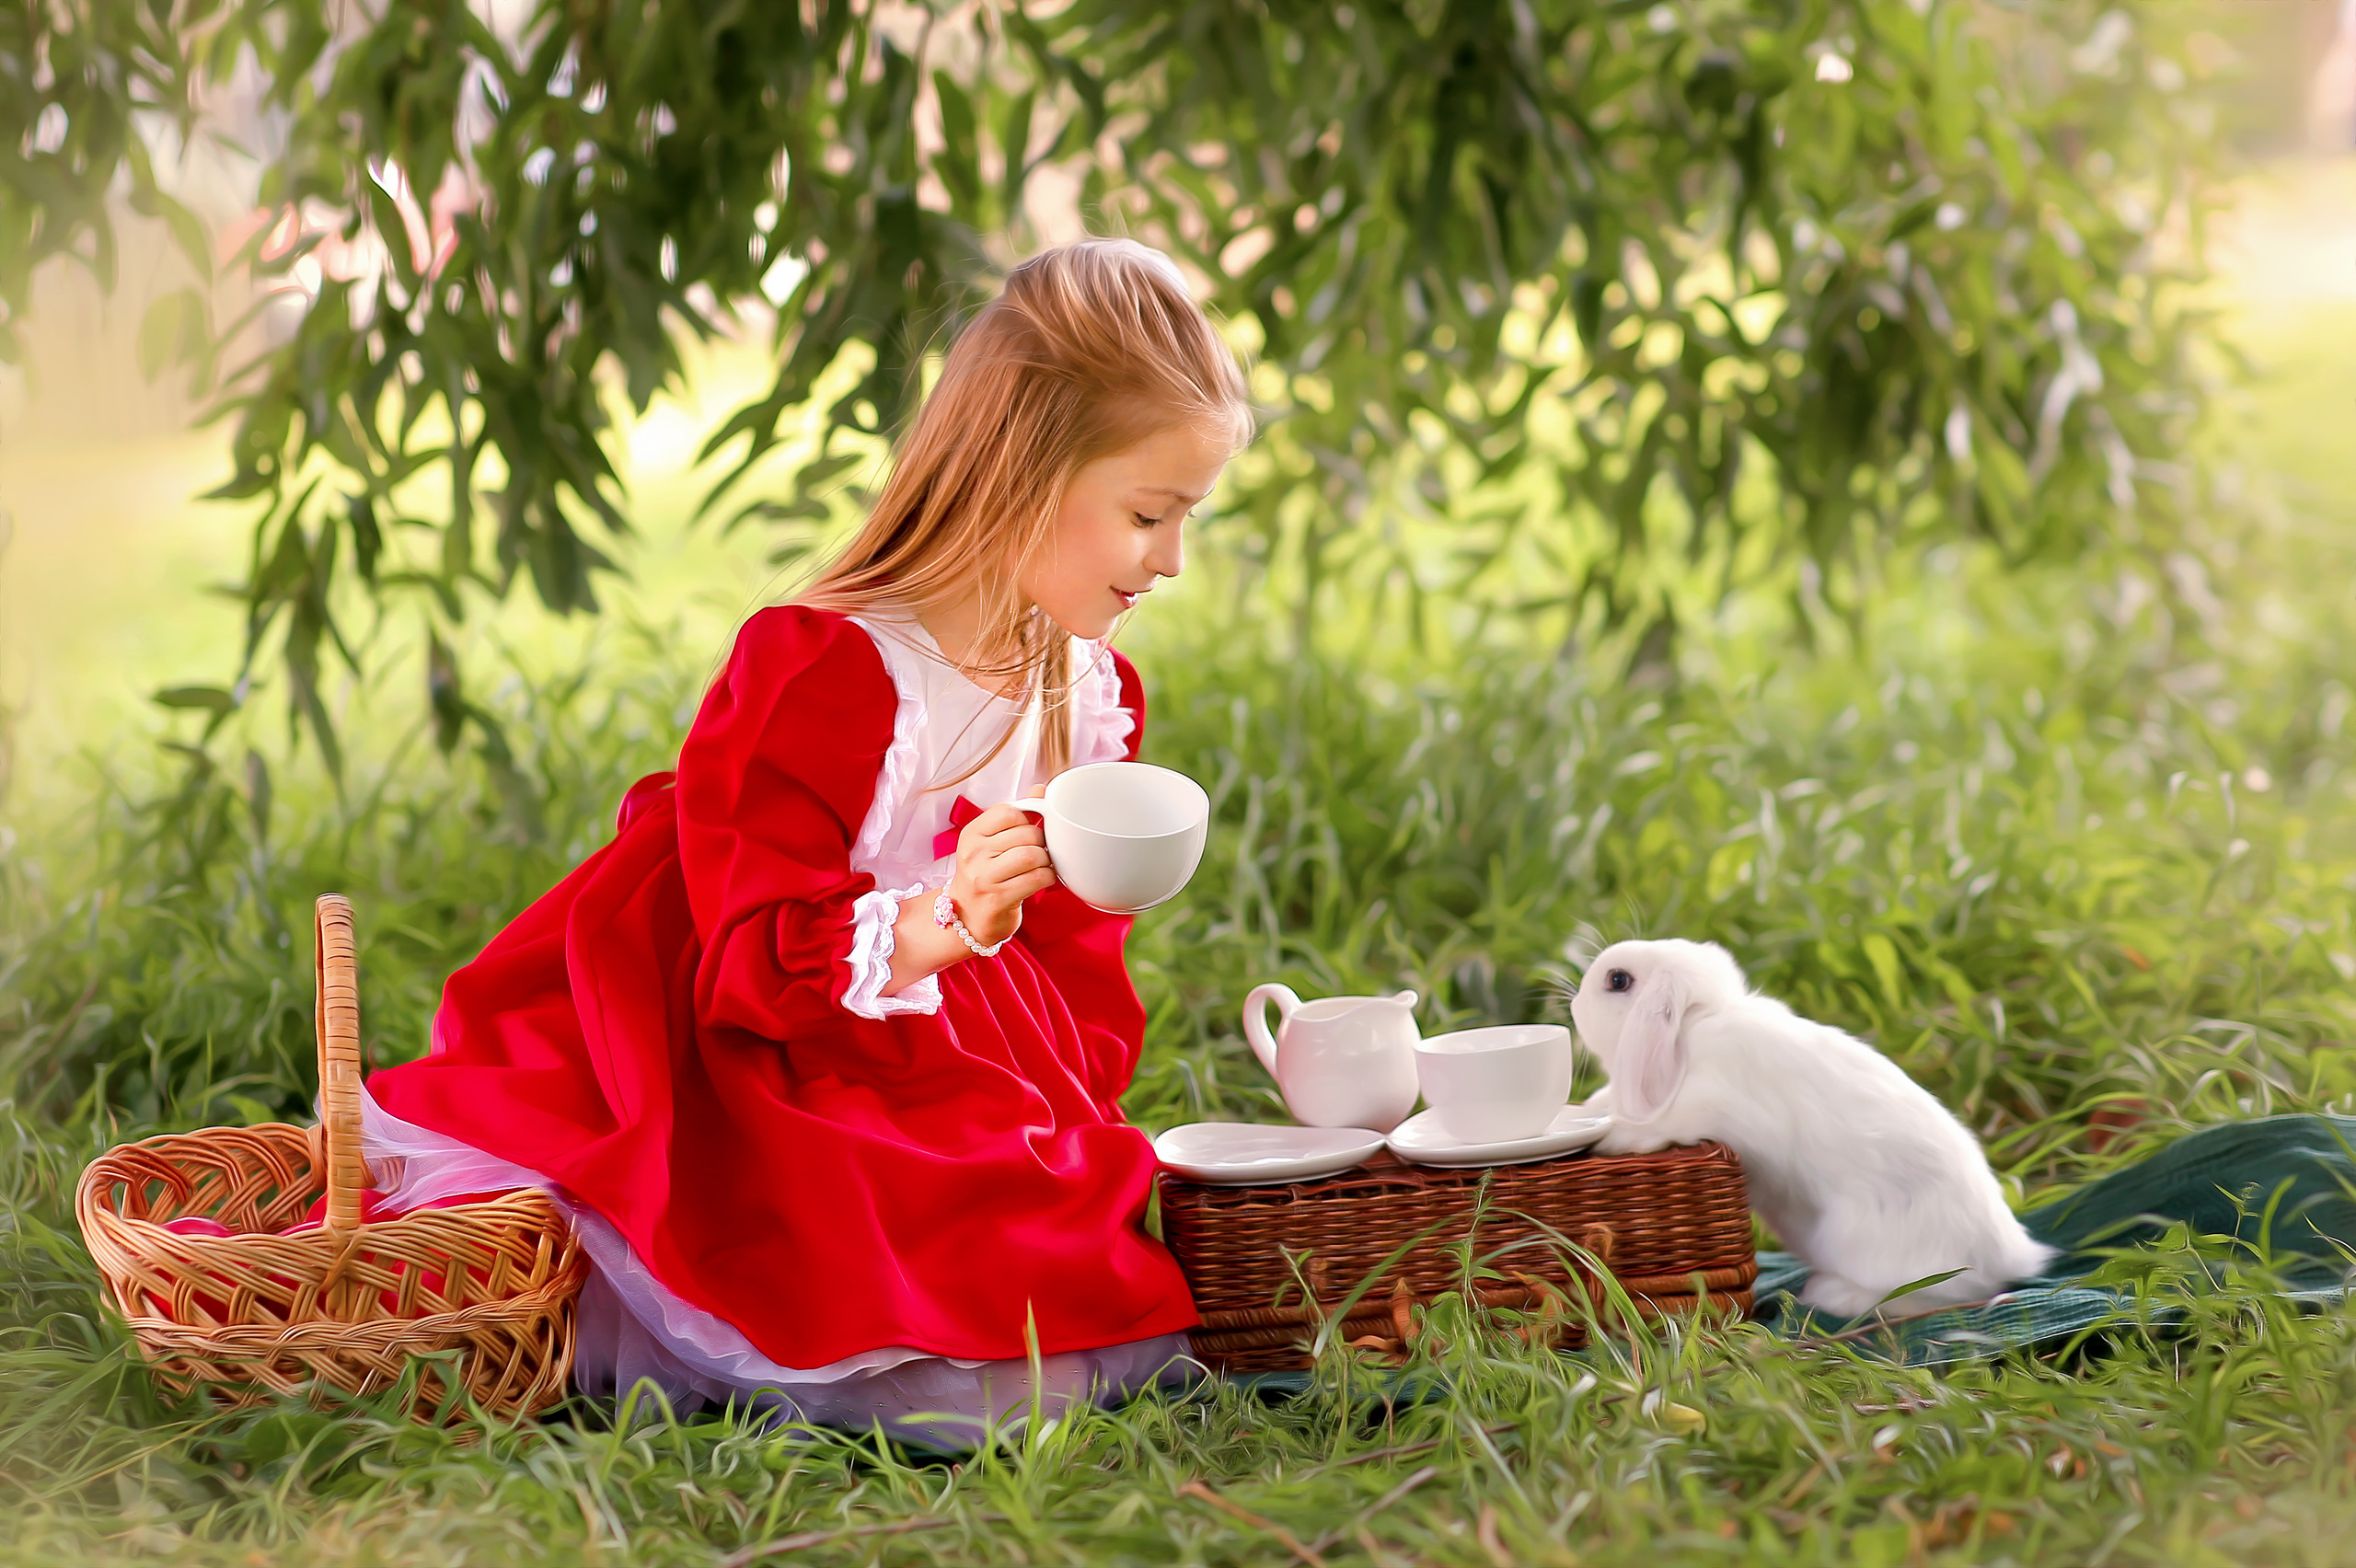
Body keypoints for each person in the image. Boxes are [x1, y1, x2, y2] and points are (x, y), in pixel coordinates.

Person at [357, 238, 1253, 1441]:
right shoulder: (828, 669)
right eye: (1149, 514)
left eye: (1186, 518)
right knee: (875, 1221)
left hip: (953, 1037)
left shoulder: (1087, 694)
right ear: (1025, 474)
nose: (1171, 560)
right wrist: (944, 920)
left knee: (1056, 1207)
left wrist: (1063, 1089)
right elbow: (750, 959)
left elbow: (1072, 962)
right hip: (757, 1050)